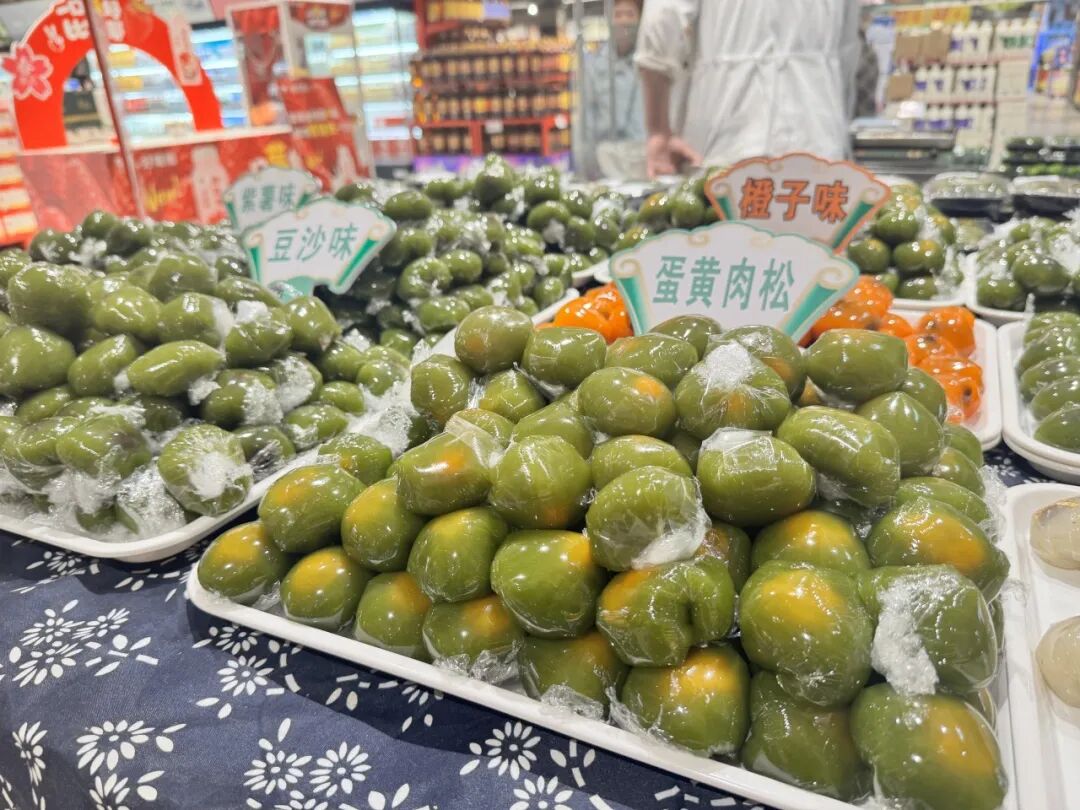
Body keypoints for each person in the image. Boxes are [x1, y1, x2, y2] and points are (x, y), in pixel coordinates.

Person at [635, 0, 861, 177]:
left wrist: (659, 131)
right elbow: (848, 50)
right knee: (813, 222)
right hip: (816, 137)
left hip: (726, 137)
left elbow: (662, 20)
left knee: (722, 220)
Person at [576, 0, 647, 180]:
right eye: (618, 14)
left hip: (644, 159)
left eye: (630, 14)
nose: (623, 21)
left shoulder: (649, 61)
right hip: (606, 163)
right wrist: (586, 167)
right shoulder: (594, 66)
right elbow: (587, 119)